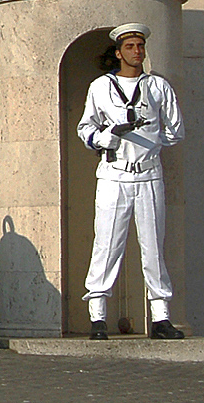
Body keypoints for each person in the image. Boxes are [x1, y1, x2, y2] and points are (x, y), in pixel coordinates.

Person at [77, 22, 184, 341]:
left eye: (140, 46)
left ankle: (161, 316)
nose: (137, 52)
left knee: (153, 244)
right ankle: (97, 316)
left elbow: (175, 130)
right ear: (118, 51)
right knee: (107, 243)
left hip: (149, 173)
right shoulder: (100, 87)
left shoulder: (158, 87)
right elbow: (85, 129)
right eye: (130, 47)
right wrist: (106, 138)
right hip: (114, 174)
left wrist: (150, 144)